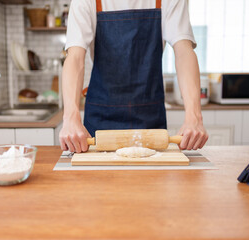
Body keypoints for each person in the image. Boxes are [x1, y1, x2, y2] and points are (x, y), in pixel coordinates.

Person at [59, 0, 208, 153]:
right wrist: (70, 117)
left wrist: (194, 117)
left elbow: (184, 51)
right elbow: (75, 58)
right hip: (100, 120)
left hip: (150, 119)